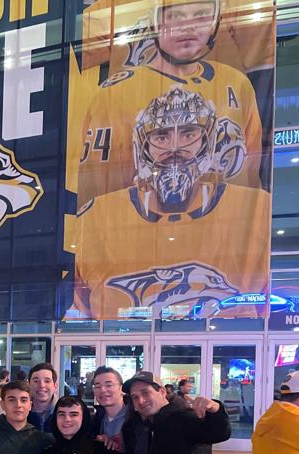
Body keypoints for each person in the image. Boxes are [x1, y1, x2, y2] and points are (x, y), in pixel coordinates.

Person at [70, 87, 270, 320]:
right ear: (143, 145)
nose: (175, 148)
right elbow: (75, 318)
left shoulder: (256, 209)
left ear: (208, 139)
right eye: (161, 137)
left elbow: (272, 311)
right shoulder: (96, 218)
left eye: (188, 134)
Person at [77, 0, 262, 206]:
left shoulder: (236, 83)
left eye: (200, 15)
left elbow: (253, 179)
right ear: (154, 22)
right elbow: (63, 50)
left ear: (215, 21)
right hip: (137, 220)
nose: (188, 26)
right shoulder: (115, 94)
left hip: (223, 220)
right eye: (176, 16)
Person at [28, 363, 59, 432]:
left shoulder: (65, 412)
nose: (41, 385)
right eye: (36, 381)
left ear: (55, 386)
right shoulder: (21, 412)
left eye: (47, 381)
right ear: (29, 385)